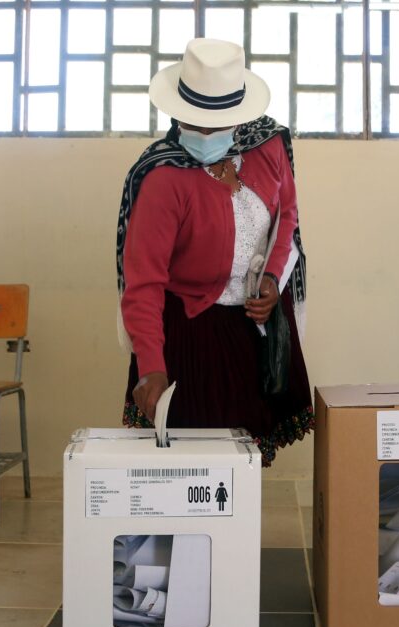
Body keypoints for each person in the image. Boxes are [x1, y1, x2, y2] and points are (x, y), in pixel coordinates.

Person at [116, 38, 312, 465]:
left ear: (239, 117)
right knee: (194, 465)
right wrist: (152, 365)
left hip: (252, 329)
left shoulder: (268, 147)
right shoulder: (163, 177)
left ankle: (235, 534)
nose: (203, 134)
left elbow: (288, 217)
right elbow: (144, 282)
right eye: (194, 121)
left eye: (215, 123)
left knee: (246, 459)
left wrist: (273, 279)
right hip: (192, 335)